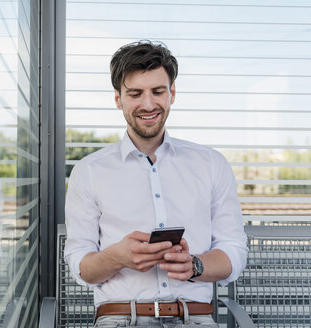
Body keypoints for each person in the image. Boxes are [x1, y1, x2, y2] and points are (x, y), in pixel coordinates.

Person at [64, 40, 248, 327]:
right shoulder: (89, 171)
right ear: (118, 98)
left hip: (195, 318)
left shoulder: (212, 164)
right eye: (135, 93)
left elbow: (233, 250)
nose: (148, 104)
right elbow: (81, 265)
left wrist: (195, 266)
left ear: (172, 93)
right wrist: (116, 257)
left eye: (157, 91)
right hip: (120, 318)